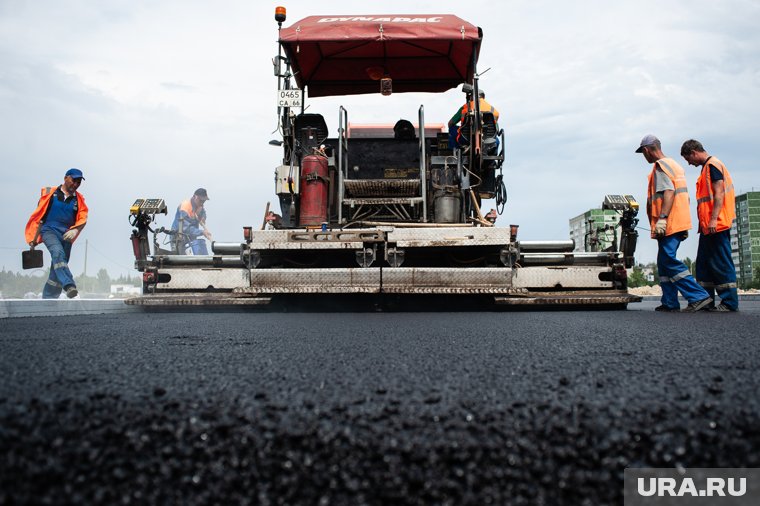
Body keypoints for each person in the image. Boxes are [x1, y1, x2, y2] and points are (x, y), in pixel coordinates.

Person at [636, 135, 712, 312]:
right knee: (663, 263)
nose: (644, 157)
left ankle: (698, 296)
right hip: (678, 220)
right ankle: (670, 301)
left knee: (668, 260)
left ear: (647, 150)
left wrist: (662, 218)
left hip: (669, 222)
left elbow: (669, 192)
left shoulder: (661, 166)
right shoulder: (674, 165)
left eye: (643, 153)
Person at [681, 139, 738, 312]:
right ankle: (705, 299)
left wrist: (713, 219)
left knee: (721, 262)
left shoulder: (713, 165)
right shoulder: (707, 167)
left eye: (688, 159)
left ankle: (729, 302)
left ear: (694, 152)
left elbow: (719, 193)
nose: (689, 163)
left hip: (717, 225)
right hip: (708, 227)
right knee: (704, 264)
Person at [24, 168, 88, 299]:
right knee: (57, 253)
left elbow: (83, 217)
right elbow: (38, 215)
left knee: (58, 265)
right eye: (73, 180)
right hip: (49, 230)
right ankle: (69, 285)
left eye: (78, 182)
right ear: (65, 178)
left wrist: (75, 230)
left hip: (66, 234)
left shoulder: (79, 199)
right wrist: (33, 238)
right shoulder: (50, 194)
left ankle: (49, 297)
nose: (75, 184)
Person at [171, 188, 212, 255]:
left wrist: (203, 218)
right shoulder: (185, 207)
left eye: (204, 201)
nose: (202, 203)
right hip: (178, 236)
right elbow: (185, 228)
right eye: (201, 200)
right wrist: (202, 232)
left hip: (191, 236)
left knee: (193, 257)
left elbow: (203, 212)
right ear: (194, 197)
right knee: (178, 258)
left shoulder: (200, 205)